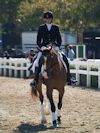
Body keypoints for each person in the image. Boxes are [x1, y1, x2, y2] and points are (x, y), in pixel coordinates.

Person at [30, 11, 77, 88]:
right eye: (46, 18)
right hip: (44, 48)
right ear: (45, 19)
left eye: (49, 18)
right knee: (37, 61)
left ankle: (69, 78)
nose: (48, 20)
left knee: (65, 59)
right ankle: (35, 80)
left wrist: (57, 46)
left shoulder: (56, 27)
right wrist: (42, 47)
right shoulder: (41, 28)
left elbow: (59, 39)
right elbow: (38, 40)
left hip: (54, 47)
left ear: (52, 19)